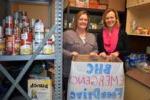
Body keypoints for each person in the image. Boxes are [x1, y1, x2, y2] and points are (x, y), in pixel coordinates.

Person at [63, 10, 98, 99]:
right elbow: (58, 49)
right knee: (70, 96)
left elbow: (96, 49)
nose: (83, 21)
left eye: (85, 20)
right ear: (76, 21)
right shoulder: (67, 34)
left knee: (84, 96)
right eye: (81, 19)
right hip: (70, 73)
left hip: (87, 75)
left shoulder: (92, 36)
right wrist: (70, 54)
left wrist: (94, 53)